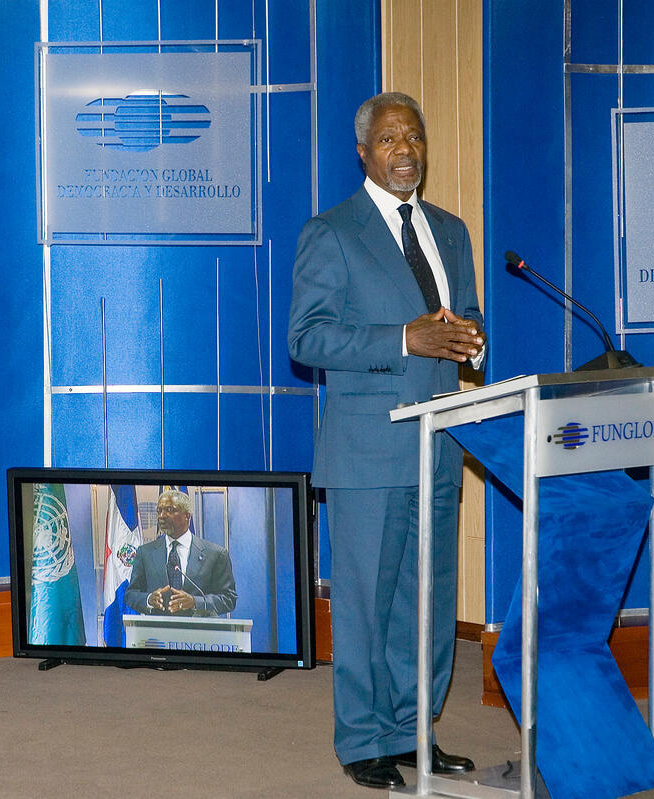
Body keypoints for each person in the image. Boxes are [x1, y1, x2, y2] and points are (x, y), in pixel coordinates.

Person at [287, 91, 485, 790]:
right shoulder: (332, 231)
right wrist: (404, 338)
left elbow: (466, 317)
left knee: (426, 603)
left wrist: (472, 341)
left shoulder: (451, 231)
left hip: (439, 445)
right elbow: (307, 338)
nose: (406, 150)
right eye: (390, 139)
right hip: (367, 450)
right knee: (368, 605)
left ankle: (412, 731)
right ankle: (363, 739)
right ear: (364, 153)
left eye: (415, 137)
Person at [123, 489, 237, 617]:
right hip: (157, 628)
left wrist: (195, 602)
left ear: (187, 516)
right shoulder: (145, 553)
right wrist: (149, 599)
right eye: (159, 511)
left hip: (199, 628)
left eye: (170, 510)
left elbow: (228, 598)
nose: (162, 516)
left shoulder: (215, 554)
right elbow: (131, 594)